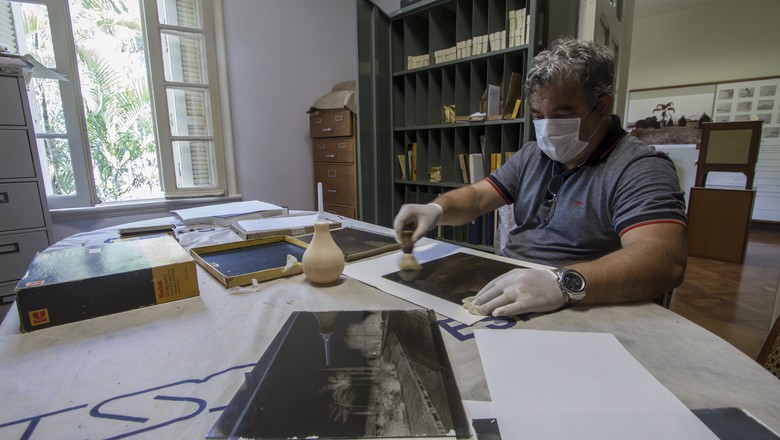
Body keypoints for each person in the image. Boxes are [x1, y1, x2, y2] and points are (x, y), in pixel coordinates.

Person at [393, 37, 687, 317]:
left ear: (603, 107)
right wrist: (437, 209)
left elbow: (663, 261)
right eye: (538, 115)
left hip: (578, 299)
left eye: (561, 116)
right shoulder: (532, 155)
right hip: (512, 281)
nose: (547, 128)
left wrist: (562, 283)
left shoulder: (639, 167)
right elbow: (478, 197)